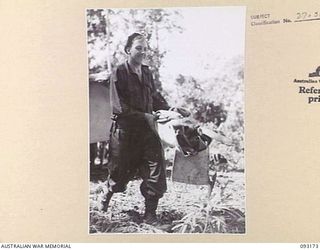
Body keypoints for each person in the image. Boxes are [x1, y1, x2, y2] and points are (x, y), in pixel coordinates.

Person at [102, 33, 170, 224]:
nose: (143, 52)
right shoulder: (119, 72)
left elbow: (154, 97)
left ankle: (150, 213)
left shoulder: (147, 73)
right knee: (119, 176)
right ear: (128, 50)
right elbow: (118, 107)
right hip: (125, 132)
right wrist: (145, 116)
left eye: (145, 48)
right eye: (138, 48)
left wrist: (169, 109)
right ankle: (107, 193)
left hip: (148, 131)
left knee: (156, 171)